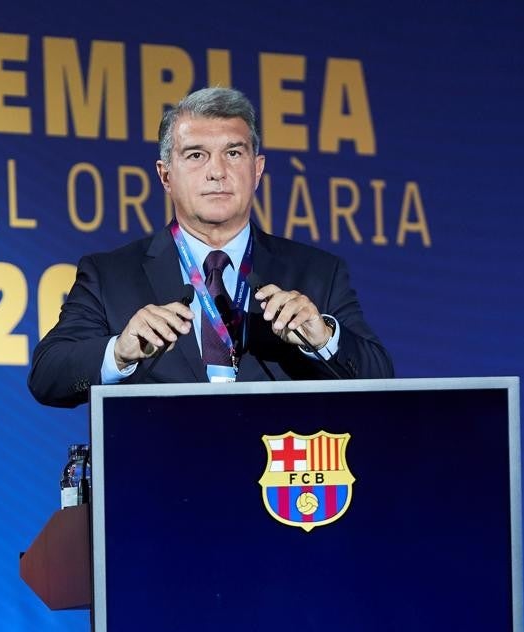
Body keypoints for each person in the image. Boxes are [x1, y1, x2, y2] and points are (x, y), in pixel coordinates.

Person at [28, 87, 393, 408]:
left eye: (233, 153)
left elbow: (382, 381)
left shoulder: (317, 273)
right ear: (165, 175)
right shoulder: (110, 275)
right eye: (196, 155)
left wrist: (323, 339)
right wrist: (119, 352)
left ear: (258, 169)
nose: (217, 171)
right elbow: (48, 376)